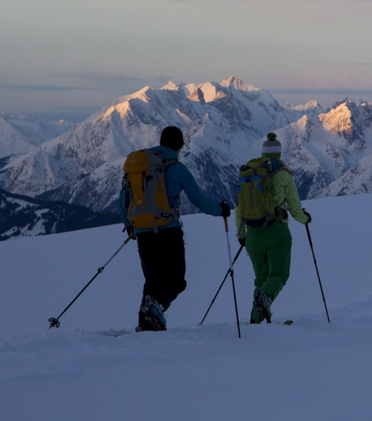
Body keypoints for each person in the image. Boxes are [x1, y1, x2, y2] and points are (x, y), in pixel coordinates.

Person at [121, 125, 230, 331]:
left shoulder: (140, 168)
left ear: (161, 142)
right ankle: (154, 309)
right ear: (180, 145)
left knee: (152, 280)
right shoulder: (177, 168)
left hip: (143, 232)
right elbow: (199, 200)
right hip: (168, 230)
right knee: (176, 280)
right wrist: (220, 210)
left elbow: (124, 198)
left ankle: (146, 324)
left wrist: (129, 224)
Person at [235, 132, 310, 324]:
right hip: (277, 232)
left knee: (261, 279)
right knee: (278, 275)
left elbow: (240, 207)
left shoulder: (249, 174)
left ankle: (256, 318)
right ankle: (265, 300)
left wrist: (241, 234)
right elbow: (294, 208)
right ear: (279, 154)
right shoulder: (284, 176)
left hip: (253, 235)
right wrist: (305, 219)